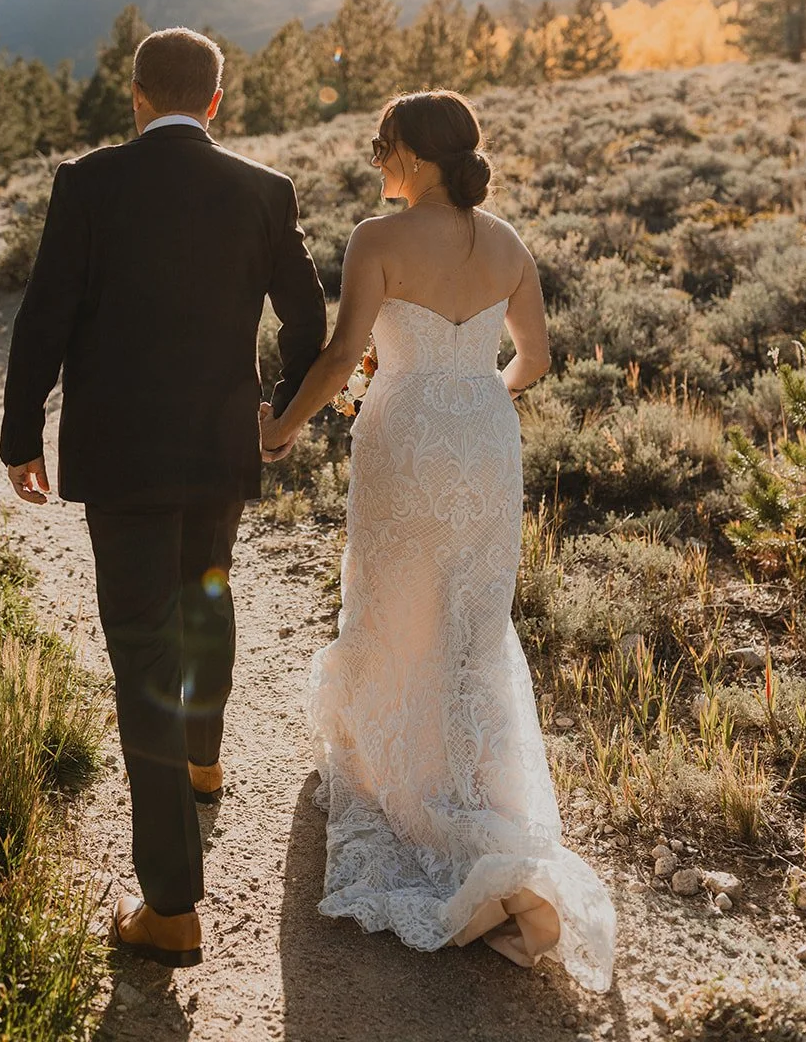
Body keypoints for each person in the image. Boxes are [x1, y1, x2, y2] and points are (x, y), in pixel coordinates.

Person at [260, 90, 616, 992]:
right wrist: (474, 389)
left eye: (382, 144)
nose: (375, 157)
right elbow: (533, 357)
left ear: (413, 157)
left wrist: (281, 428)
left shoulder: (376, 240)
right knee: (470, 617)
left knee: (392, 599)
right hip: (483, 437)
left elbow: (342, 359)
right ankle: (479, 793)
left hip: (405, 435)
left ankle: (401, 782)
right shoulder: (507, 243)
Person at [0, 26, 326, 968]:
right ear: (215, 102)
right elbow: (305, 313)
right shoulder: (265, 191)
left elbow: (45, 315)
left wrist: (22, 435)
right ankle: (205, 756)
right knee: (209, 587)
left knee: (141, 646)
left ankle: (172, 906)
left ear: (134, 94)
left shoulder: (89, 182)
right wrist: (279, 408)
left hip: (123, 454)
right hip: (220, 443)